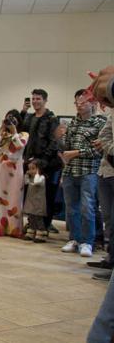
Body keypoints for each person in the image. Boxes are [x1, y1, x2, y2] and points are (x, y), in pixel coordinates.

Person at [57, 89, 106, 258]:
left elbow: (98, 150)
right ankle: (74, 240)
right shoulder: (73, 123)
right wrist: (60, 140)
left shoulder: (100, 122)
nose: (79, 105)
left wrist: (76, 153)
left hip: (89, 171)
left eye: (83, 102)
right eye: (76, 102)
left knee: (88, 208)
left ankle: (88, 242)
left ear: (92, 103)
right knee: (71, 208)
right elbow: (66, 148)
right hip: (70, 170)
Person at [20, 89, 61, 233]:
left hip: (46, 164)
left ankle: (44, 225)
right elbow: (22, 135)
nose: (35, 101)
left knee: (45, 196)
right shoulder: (29, 118)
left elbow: (54, 142)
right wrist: (23, 112)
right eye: (33, 98)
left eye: (38, 98)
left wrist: (42, 161)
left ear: (45, 100)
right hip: (29, 162)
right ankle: (32, 223)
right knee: (30, 195)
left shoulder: (51, 118)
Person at [0, 109, 28, 238]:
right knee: (1, 198)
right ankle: (2, 227)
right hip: (2, 167)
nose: (11, 122)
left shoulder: (24, 134)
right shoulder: (4, 134)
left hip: (16, 167)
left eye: (13, 119)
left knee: (15, 197)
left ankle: (14, 228)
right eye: (8, 119)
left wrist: (14, 131)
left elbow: (19, 145)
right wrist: (1, 131)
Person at [89, 112, 114, 281]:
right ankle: (110, 259)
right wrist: (108, 147)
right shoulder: (112, 113)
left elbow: (104, 139)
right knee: (109, 219)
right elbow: (103, 135)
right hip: (105, 170)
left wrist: (107, 146)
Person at [23, 158, 48, 242]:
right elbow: (25, 182)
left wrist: (37, 173)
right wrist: (26, 175)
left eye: (33, 168)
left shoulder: (41, 177)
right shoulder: (30, 178)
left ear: (39, 169)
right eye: (29, 169)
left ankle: (41, 233)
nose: (31, 171)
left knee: (38, 218)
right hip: (31, 201)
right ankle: (31, 231)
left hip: (39, 202)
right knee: (31, 217)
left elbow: (37, 182)